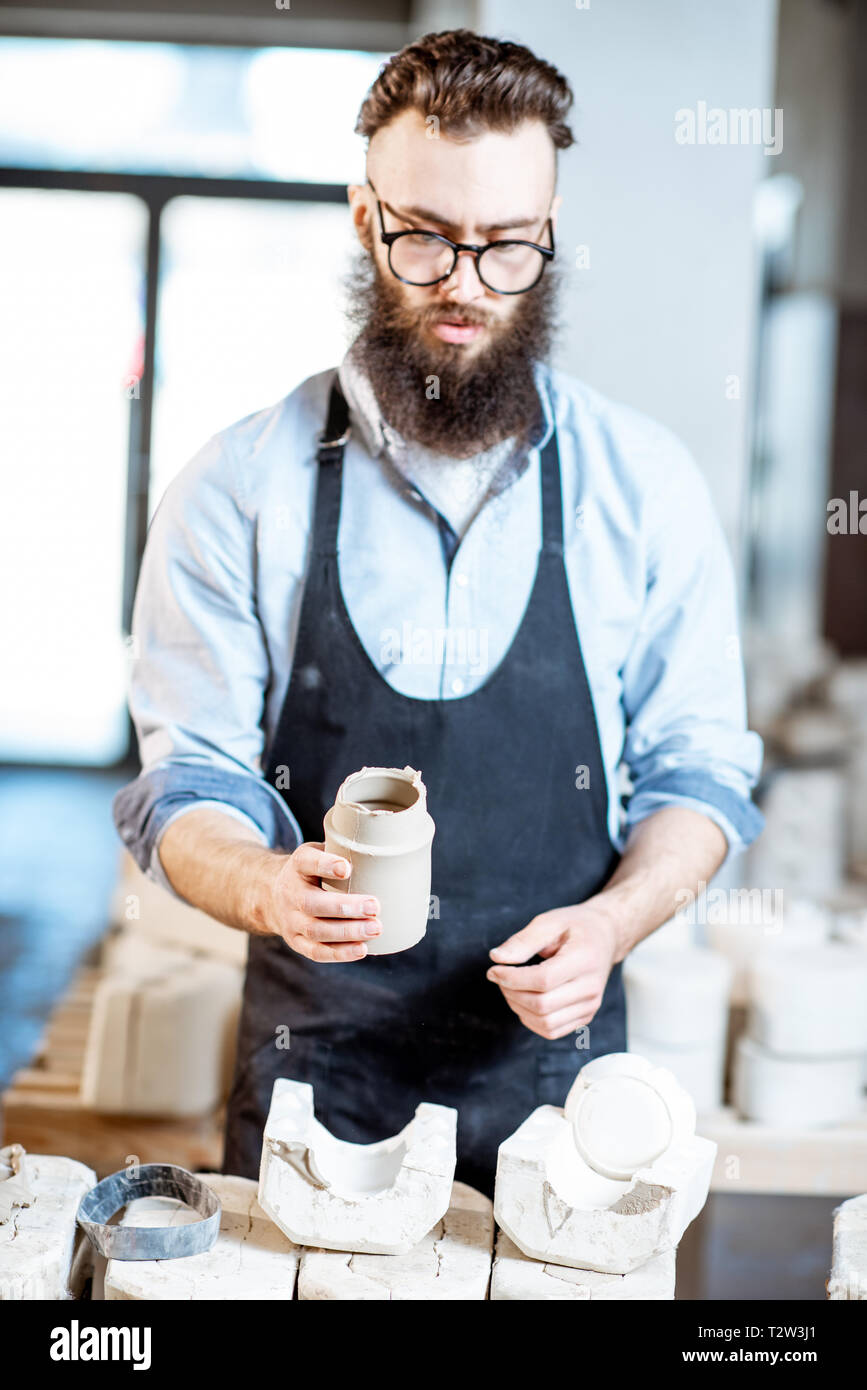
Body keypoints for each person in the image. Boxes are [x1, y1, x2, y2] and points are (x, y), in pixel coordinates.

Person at [114, 29, 763, 1197]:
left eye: (508, 246)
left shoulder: (644, 488)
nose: (467, 283)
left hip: (560, 1108)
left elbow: (700, 776)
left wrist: (614, 924)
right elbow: (187, 781)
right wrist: (263, 885)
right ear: (364, 219)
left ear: (550, 238)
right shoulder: (240, 486)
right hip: (319, 1093)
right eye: (426, 238)